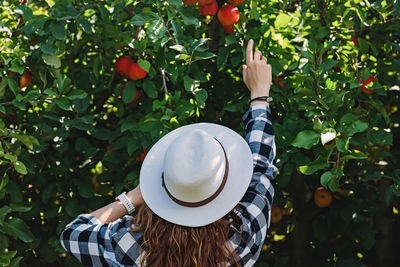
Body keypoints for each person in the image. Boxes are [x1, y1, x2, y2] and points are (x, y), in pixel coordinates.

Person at [60, 39, 277, 267]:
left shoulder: (133, 244)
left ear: (165, 186)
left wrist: (131, 199)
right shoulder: (242, 238)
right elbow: (261, 167)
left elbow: (73, 234)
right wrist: (259, 94)